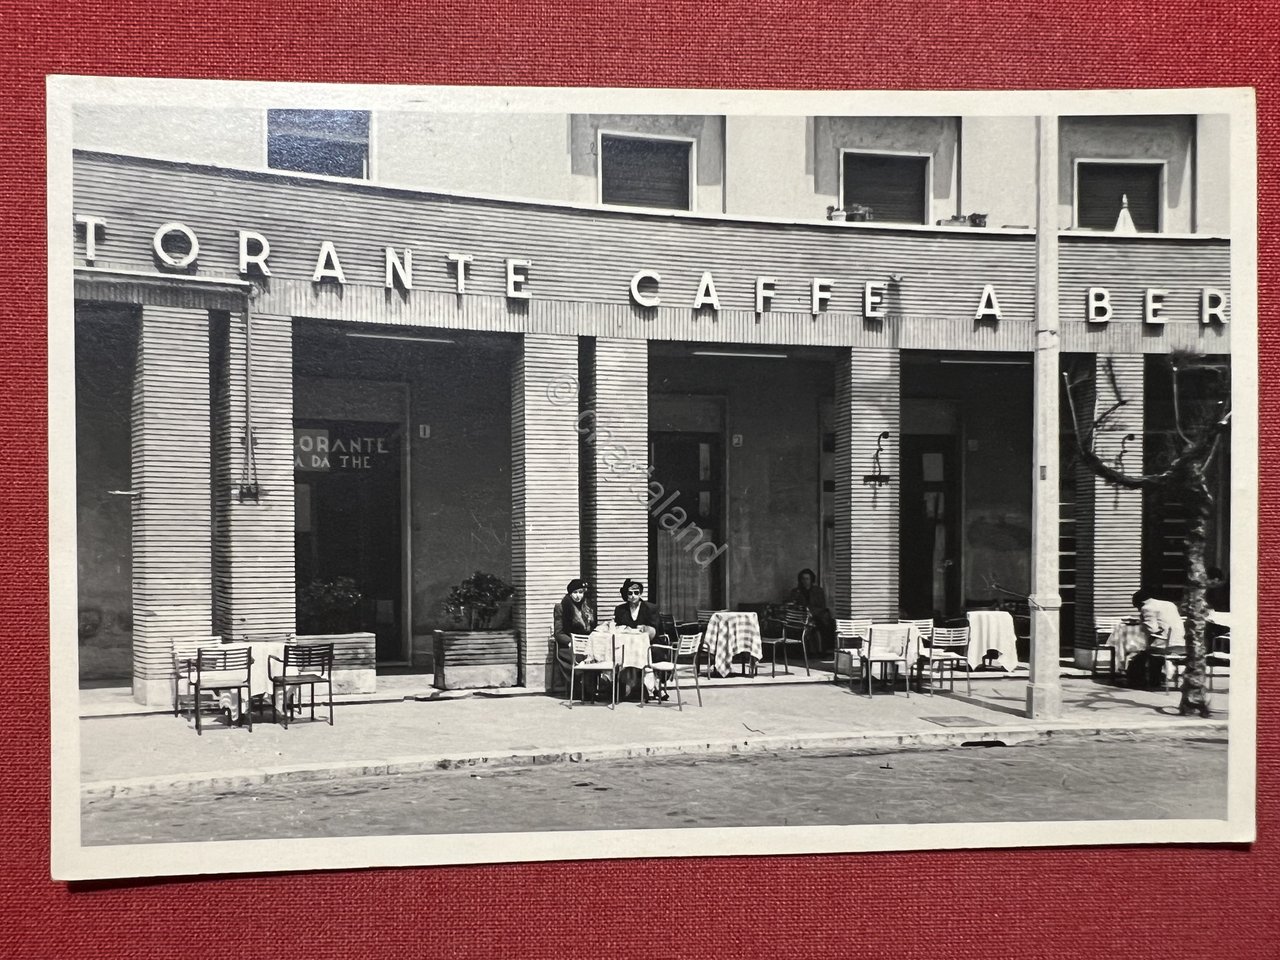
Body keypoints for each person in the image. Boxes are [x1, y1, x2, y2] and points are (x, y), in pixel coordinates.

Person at [612, 578, 666, 701]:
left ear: (640, 593)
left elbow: (656, 630)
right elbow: (617, 626)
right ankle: (627, 687)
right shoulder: (620, 609)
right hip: (628, 644)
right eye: (630, 593)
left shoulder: (651, 608)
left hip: (649, 643)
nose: (633, 596)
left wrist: (647, 628)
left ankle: (652, 688)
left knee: (653, 653)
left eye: (636, 593)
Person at [1126, 587, 1186, 688]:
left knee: (1141, 657)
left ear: (1140, 603)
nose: (1138, 610)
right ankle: (1156, 680)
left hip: (1166, 644)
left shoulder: (1147, 608)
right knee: (1152, 653)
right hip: (1182, 642)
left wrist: (1142, 621)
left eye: (1137, 607)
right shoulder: (1170, 604)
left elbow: (1152, 629)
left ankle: (1142, 683)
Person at [553, 579, 599, 700]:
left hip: (586, 643)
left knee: (597, 655)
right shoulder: (562, 607)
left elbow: (593, 628)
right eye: (575, 592)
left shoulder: (588, 607)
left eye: (581, 592)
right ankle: (579, 690)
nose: (578, 596)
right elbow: (558, 633)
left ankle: (591, 690)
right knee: (580, 656)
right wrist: (570, 642)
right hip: (569, 644)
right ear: (570, 593)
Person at [788, 568, 835, 652]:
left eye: (807, 579)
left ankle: (824, 650)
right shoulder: (796, 592)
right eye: (803, 579)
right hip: (802, 617)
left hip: (817, 615)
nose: (805, 581)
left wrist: (812, 611)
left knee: (826, 623)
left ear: (811, 579)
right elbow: (793, 606)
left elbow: (822, 606)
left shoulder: (818, 591)